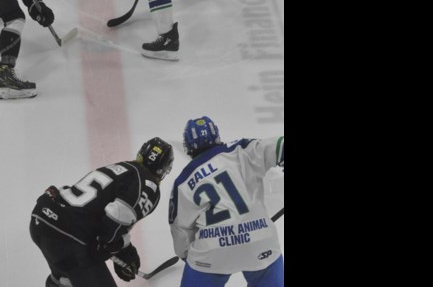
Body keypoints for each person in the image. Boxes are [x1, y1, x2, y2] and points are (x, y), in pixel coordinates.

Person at [30, 137, 174, 287]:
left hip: (43, 219)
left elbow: (102, 217)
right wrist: (117, 250)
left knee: (66, 279)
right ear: (164, 169)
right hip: (68, 236)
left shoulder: (123, 167)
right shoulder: (149, 186)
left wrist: (123, 249)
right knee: (79, 266)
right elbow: (116, 218)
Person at [168, 117, 285, 287]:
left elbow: (180, 230)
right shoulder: (242, 149)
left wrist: (187, 255)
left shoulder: (184, 180)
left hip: (212, 252)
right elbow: (279, 145)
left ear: (188, 146)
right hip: (260, 242)